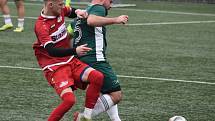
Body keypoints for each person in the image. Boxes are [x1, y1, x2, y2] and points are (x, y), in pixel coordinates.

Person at [33, 0, 104, 121]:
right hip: (54, 66)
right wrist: (75, 50)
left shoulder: (59, 10)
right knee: (69, 100)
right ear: (50, 5)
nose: (63, 7)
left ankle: (85, 116)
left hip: (70, 60)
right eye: (60, 4)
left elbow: (70, 11)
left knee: (97, 77)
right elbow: (51, 51)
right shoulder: (41, 26)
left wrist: (78, 12)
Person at [72, 0, 128, 120]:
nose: (111, 6)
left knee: (107, 90)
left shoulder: (79, 16)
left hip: (80, 61)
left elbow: (68, 34)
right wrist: (116, 20)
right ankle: (83, 117)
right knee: (116, 95)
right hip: (95, 59)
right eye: (111, 1)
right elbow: (91, 21)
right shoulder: (99, 8)